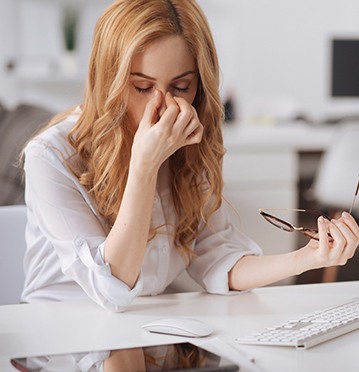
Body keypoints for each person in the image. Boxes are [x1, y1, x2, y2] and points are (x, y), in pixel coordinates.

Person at [21, 0, 359, 312]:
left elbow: (220, 260)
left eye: (181, 87)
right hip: (65, 335)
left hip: (143, 329)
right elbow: (112, 287)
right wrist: (144, 165)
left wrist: (305, 259)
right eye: (141, 87)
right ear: (107, 80)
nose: (164, 106)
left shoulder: (184, 148)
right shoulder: (50, 157)